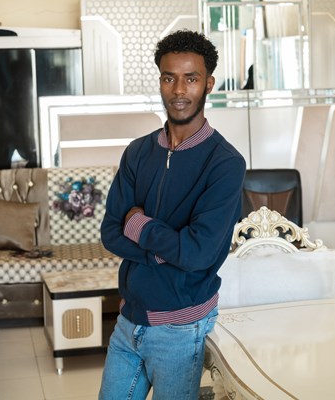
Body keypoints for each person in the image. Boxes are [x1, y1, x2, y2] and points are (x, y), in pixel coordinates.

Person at [98, 30, 246, 400]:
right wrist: (166, 250)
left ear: (208, 83)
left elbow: (198, 254)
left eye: (191, 79)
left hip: (181, 327)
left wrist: (138, 225)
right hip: (129, 320)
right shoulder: (137, 152)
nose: (179, 90)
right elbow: (110, 232)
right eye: (169, 78)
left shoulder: (225, 164)